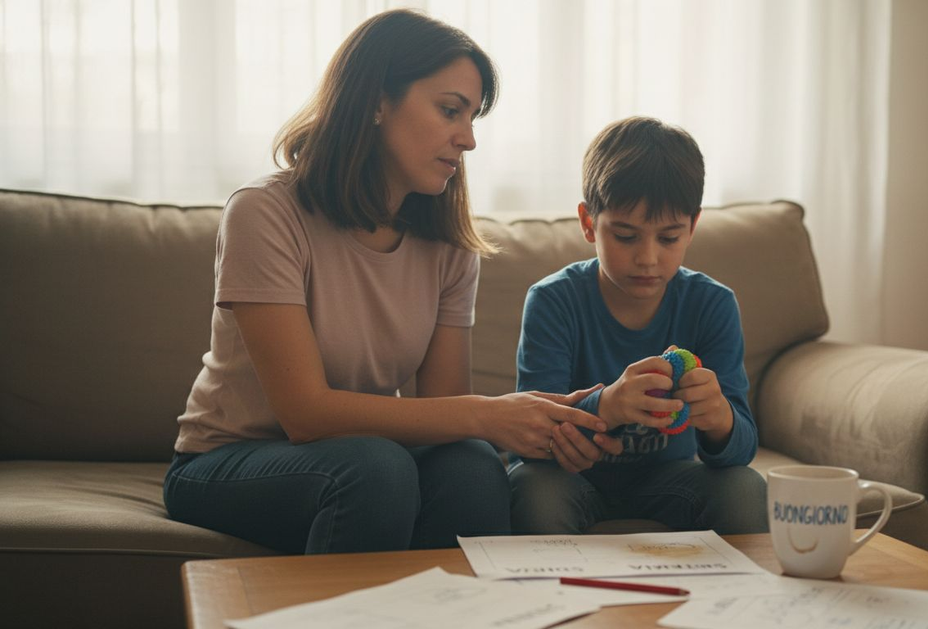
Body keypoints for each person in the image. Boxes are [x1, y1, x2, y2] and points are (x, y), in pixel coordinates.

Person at [163, 9, 606, 555]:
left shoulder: (448, 245)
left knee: (468, 465)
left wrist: (538, 424)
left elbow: (443, 412)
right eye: (450, 111)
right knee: (377, 468)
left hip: (365, 457)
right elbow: (304, 415)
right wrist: (491, 413)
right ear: (376, 100)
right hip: (228, 462)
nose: (467, 140)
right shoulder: (264, 213)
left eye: (472, 119)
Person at [509, 116, 768, 535]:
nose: (648, 258)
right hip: (571, 479)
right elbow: (532, 439)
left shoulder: (712, 303)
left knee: (743, 489)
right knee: (534, 491)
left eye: (668, 238)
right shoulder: (554, 300)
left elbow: (740, 451)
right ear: (589, 222)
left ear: (693, 227)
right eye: (626, 236)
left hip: (668, 480)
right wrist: (607, 407)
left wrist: (719, 417)